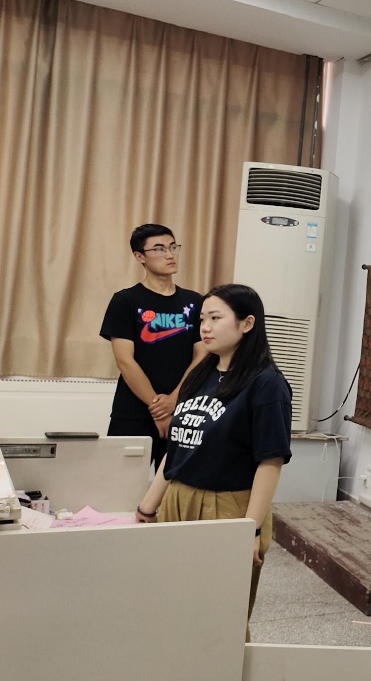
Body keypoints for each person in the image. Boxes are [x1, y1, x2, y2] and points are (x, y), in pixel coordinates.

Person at [135, 283, 293, 642]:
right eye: (203, 319)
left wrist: (250, 529)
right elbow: (179, 445)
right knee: (174, 606)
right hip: (179, 499)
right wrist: (148, 505)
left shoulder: (266, 384)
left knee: (220, 617)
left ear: (247, 323)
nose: (205, 327)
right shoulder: (199, 374)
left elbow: (270, 462)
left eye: (216, 318)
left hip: (228, 506)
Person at [101, 224, 207, 472]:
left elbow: (202, 355)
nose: (169, 254)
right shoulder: (125, 300)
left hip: (183, 408)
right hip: (133, 410)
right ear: (140, 257)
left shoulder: (195, 301)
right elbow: (125, 361)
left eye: (173, 247)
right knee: (118, 482)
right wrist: (159, 410)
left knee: (174, 485)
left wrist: (174, 400)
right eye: (159, 249)